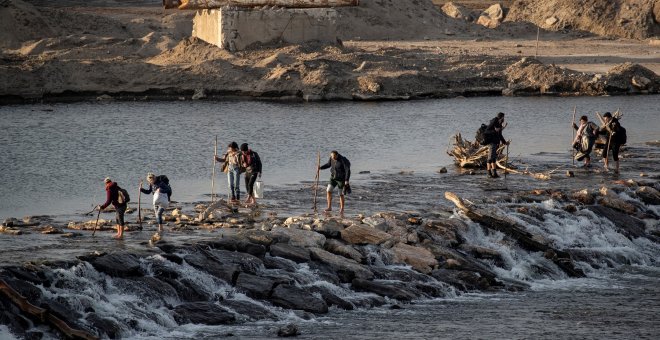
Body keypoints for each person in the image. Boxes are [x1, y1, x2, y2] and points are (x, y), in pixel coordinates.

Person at [485, 112, 509, 178]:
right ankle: (489, 173)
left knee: (493, 158)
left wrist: (505, 142)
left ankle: (494, 173)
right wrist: (494, 131)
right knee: (490, 158)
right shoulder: (494, 121)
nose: (504, 119)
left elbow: (500, 135)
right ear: (501, 117)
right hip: (491, 142)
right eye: (503, 117)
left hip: (496, 143)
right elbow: (486, 131)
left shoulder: (499, 124)